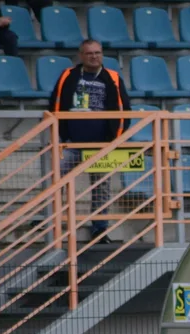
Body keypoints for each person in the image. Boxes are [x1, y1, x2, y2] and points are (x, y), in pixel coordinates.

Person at [48, 39, 131, 241]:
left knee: (101, 187)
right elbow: (55, 103)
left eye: (97, 52)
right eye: (89, 53)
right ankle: (50, 220)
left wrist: (114, 140)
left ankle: (100, 229)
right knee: (54, 179)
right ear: (81, 55)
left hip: (101, 145)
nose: (94, 56)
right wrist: (60, 136)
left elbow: (124, 110)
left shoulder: (112, 77)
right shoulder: (68, 75)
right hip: (71, 143)